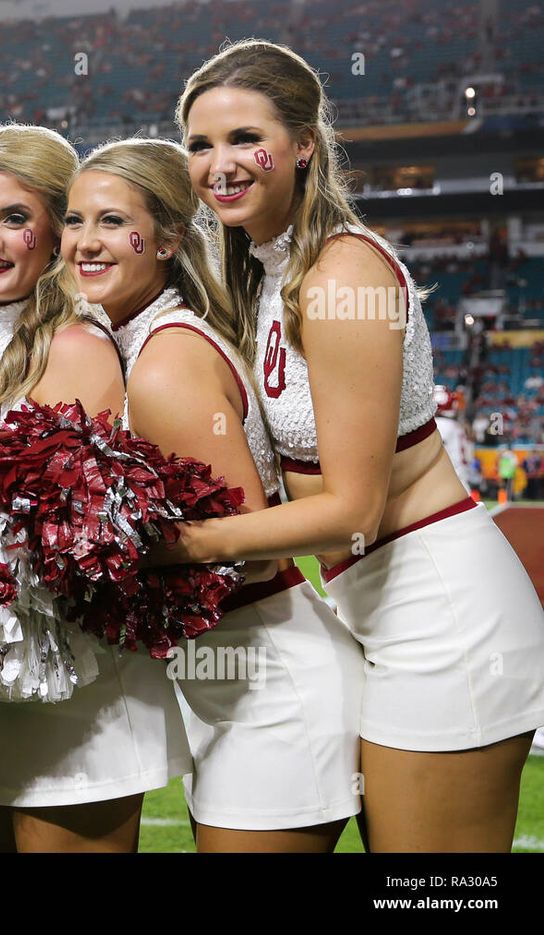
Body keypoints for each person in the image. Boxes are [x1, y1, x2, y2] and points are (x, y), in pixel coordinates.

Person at [170, 39, 544, 851]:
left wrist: (176, 546)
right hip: (379, 611)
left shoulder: (341, 277)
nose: (219, 163)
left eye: (244, 138)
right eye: (200, 144)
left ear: (305, 145)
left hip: (442, 615)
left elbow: (350, 514)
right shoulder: (265, 271)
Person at [63, 136, 363, 852]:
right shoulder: (138, 340)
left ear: (168, 238)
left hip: (270, 681)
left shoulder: (165, 360)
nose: (85, 242)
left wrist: (95, 552)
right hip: (232, 675)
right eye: (74, 221)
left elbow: (250, 551)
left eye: (111, 221)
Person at [0, 123, 190, 853]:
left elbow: (79, 542)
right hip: (1, 690)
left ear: (56, 232)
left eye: (15, 219)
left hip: (78, 693)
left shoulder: (75, 345)